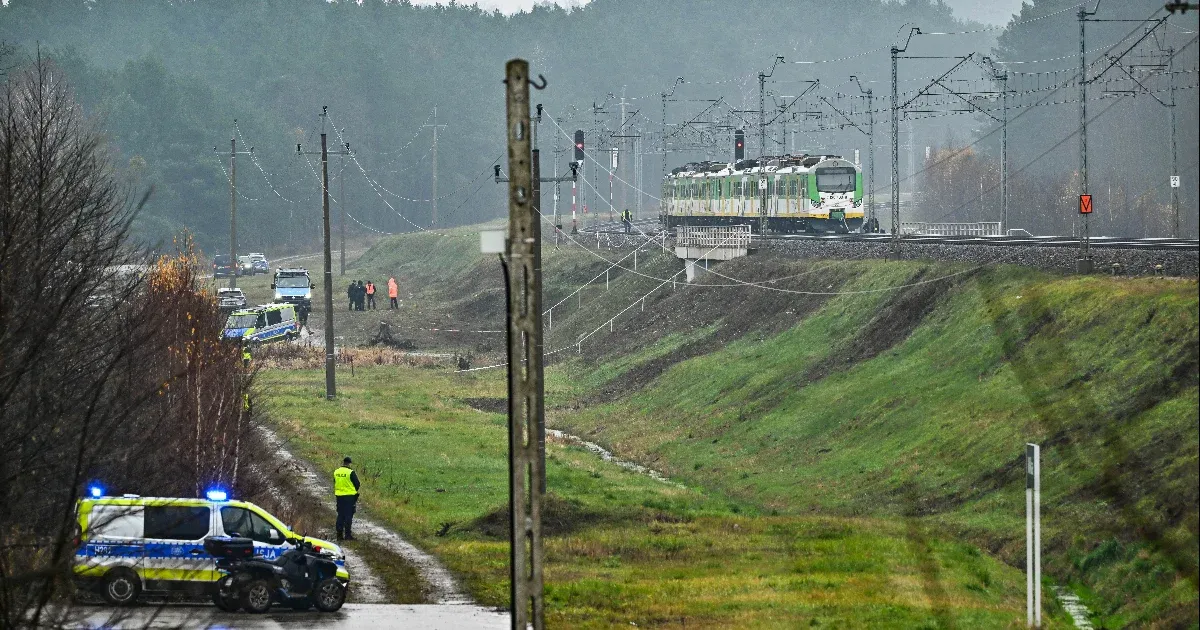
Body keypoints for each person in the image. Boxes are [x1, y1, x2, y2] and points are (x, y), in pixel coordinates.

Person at [333, 456, 360, 541]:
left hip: (339, 496)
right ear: (349, 463)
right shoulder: (350, 472)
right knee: (348, 515)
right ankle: (348, 535)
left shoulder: (336, 472)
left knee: (340, 515)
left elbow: (335, 482)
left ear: (343, 462)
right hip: (349, 497)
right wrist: (353, 490)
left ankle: (339, 535)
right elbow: (357, 484)